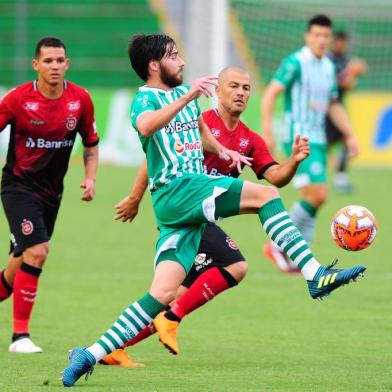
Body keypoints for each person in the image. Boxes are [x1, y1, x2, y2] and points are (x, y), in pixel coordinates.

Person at [61, 34, 365, 387]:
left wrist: (224, 152)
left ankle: (90, 353)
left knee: (161, 294)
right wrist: (189, 96)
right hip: (179, 187)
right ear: (154, 65)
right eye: (174, 56)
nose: (183, 62)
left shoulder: (186, 98)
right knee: (265, 198)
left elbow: (200, 131)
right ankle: (314, 274)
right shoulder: (146, 97)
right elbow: (145, 127)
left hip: (180, 209)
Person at [98, 65, 311, 365]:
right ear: (218, 91)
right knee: (235, 265)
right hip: (187, 210)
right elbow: (154, 158)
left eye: (246, 88)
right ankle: (172, 319)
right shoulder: (198, 121)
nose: (240, 92)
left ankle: (114, 347)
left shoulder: (249, 139)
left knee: (175, 292)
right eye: (233, 86)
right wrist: (135, 197)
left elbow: (274, 177)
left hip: (203, 221)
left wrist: (294, 161)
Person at [0, 37, 99, 353]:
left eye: (60, 61)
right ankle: (20, 338)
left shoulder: (80, 100)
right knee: (38, 251)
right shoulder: (18, 99)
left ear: (67, 64)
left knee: (18, 264)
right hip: (18, 187)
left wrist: (90, 178)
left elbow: (91, 143)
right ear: (36, 65)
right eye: (48, 61)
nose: (54, 66)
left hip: (52, 193)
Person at [262, 15, 360, 272]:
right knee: (318, 194)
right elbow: (271, 92)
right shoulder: (295, 62)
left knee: (314, 198)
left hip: (319, 138)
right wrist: (267, 130)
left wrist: (350, 134)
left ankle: (296, 254)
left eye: (325, 36)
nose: (322, 40)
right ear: (308, 37)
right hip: (299, 138)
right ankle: (277, 244)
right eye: (317, 35)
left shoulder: (328, 66)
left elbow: (334, 104)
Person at [326, 31, 368, 192]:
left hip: (339, 108)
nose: (341, 45)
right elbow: (332, 83)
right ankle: (310, 175)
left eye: (344, 42)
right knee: (324, 145)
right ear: (334, 42)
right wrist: (351, 71)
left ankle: (340, 178)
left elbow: (347, 85)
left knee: (346, 140)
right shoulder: (328, 60)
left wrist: (353, 76)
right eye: (339, 41)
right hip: (327, 110)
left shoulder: (343, 61)